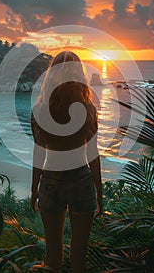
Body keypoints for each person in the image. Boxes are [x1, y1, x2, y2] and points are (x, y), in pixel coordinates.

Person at [30, 51, 103, 273]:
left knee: (52, 254)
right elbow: (93, 154)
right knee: (79, 254)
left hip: (51, 181)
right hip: (81, 180)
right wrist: (100, 191)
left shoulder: (41, 110)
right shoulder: (88, 109)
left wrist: (34, 188)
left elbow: (39, 154)